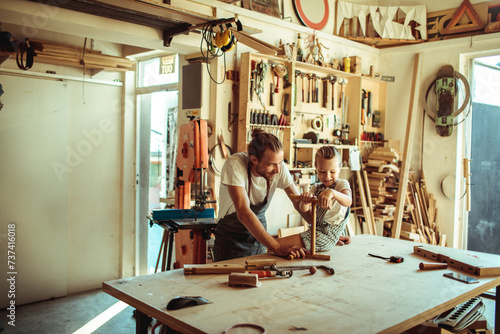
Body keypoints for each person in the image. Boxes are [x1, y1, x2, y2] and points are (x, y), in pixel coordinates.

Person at [213, 129, 308, 261]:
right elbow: (244, 213)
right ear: (254, 159)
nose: (278, 170)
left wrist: (324, 233)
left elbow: (297, 202)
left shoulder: (278, 167)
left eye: (280, 163)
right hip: (231, 238)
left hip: (259, 237)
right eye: (271, 165)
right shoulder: (234, 164)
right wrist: (277, 247)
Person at [277, 145, 352, 252]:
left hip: (327, 237)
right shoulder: (316, 188)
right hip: (315, 232)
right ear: (316, 168)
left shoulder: (341, 185)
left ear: (339, 169)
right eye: (322, 171)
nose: (327, 176)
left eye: (332, 172)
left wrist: (332, 193)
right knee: (276, 246)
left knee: (276, 245)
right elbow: (304, 209)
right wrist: (305, 201)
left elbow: (348, 201)